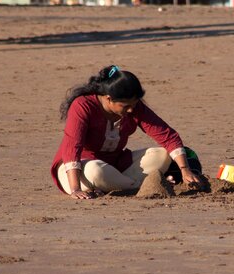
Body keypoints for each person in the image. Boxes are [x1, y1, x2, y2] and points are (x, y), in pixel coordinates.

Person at [51, 65, 203, 199]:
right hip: (80, 170)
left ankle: (121, 186)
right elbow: (72, 146)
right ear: (108, 99)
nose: (131, 110)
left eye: (134, 104)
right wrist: (75, 189)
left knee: (162, 154)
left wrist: (185, 170)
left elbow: (167, 135)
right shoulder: (82, 106)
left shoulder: (134, 108)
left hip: (117, 166)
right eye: (125, 106)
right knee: (97, 172)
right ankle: (141, 186)